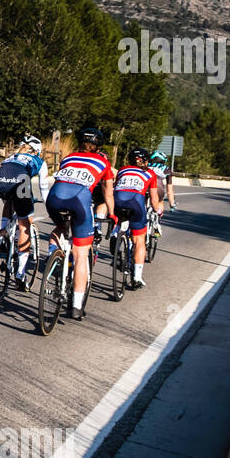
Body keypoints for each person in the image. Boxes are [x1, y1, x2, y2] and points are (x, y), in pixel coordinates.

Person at [45, 126, 115, 321]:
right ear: (98, 145)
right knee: (81, 254)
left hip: (55, 198)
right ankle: (76, 306)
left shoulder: (68, 158)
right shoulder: (104, 162)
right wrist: (113, 214)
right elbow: (108, 193)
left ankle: (54, 257)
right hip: (80, 200)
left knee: (59, 229)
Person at [0, 134, 50, 290]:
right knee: (25, 225)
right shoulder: (39, 161)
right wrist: (49, 204)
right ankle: (20, 273)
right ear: (38, 151)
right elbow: (44, 190)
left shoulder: (12, 156)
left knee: (9, 201)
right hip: (19, 183)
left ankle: (4, 234)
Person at [114, 148, 164, 289]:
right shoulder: (150, 173)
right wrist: (158, 211)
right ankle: (136, 277)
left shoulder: (122, 170)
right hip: (136, 203)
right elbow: (154, 200)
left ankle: (116, 233)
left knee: (120, 216)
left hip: (118, 201)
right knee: (139, 241)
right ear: (146, 161)